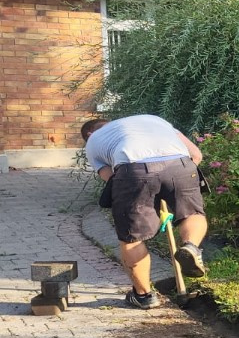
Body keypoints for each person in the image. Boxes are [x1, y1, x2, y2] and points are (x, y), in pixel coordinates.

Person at [81, 115, 208, 309]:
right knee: (192, 214)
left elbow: (113, 180)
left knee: (131, 237)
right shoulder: (153, 120)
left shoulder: (93, 141)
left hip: (133, 170)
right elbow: (196, 155)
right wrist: (170, 182)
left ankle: (144, 296)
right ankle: (191, 247)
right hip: (181, 164)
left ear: (90, 134)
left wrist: (151, 191)